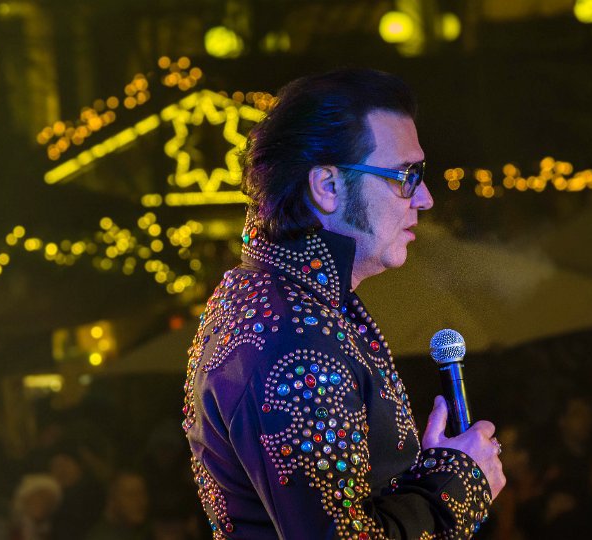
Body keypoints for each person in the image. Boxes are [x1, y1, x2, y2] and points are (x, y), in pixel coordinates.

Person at [182, 68, 505, 539]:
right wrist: (457, 486)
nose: (425, 198)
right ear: (328, 186)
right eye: (406, 176)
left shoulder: (281, 300)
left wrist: (430, 476)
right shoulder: (295, 341)